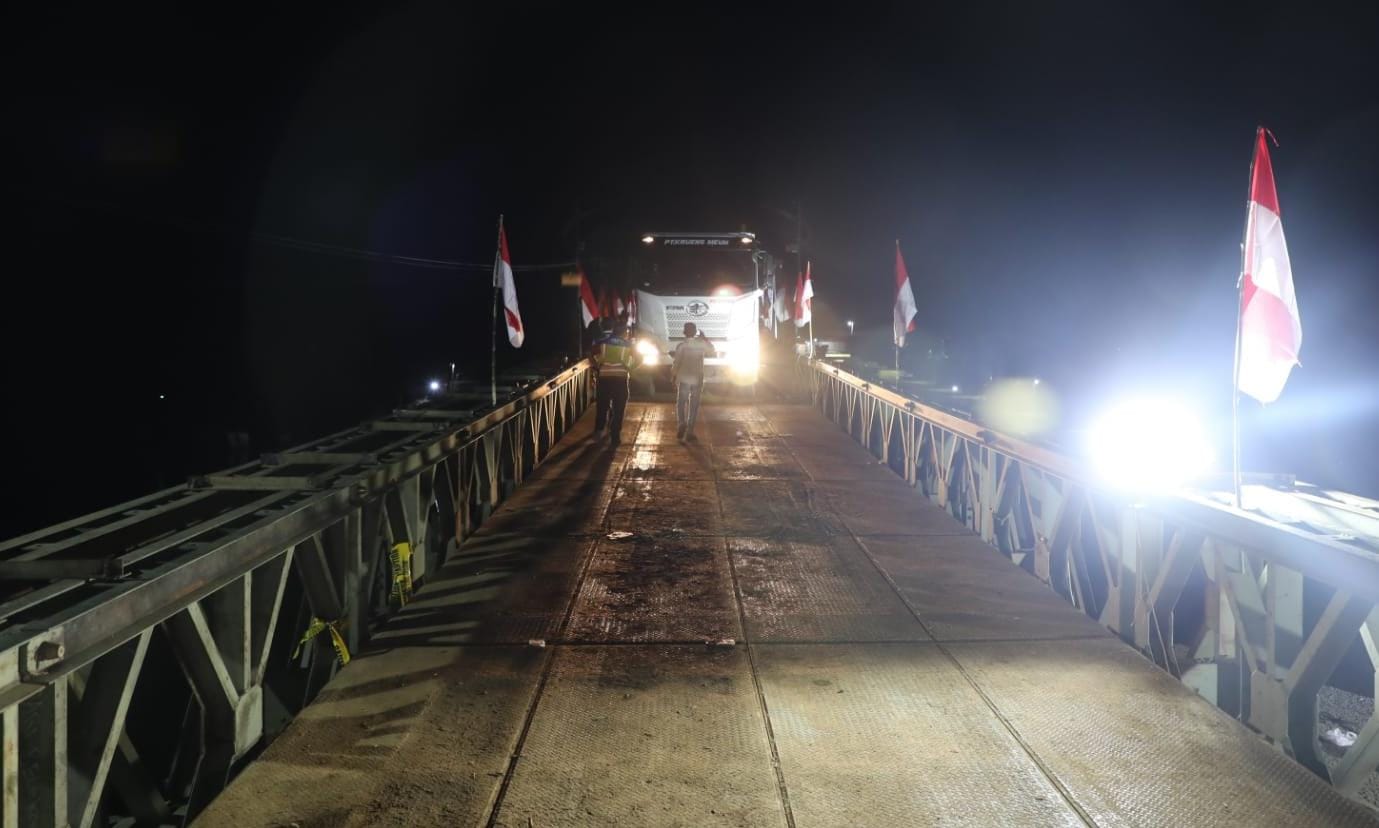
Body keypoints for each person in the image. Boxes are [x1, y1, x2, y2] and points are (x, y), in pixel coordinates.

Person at [592, 322, 640, 446]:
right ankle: (615, 436)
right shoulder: (629, 345)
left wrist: (597, 366)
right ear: (625, 333)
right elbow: (640, 358)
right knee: (619, 408)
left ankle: (599, 430)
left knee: (602, 405)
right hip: (620, 378)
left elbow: (590, 354)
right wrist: (630, 367)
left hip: (604, 378)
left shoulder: (602, 341)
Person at [671, 322, 715, 442]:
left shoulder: (681, 346)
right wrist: (705, 338)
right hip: (697, 378)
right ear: (695, 332)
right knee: (694, 405)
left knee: (681, 402)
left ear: (684, 332)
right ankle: (690, 431)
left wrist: (673, 376)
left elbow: (677, 363)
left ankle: (681, 423)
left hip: (684, 378)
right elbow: (712, 351)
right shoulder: (702, 344)